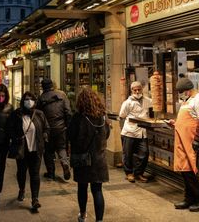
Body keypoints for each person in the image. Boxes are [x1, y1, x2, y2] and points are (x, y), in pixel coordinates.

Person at [68, 88, 110, 222]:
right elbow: (107, 134)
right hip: (99, 159)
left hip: (83, 159)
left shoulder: (78, 117)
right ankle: (99, 220)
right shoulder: (103, 117)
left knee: (82, 188)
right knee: (97, 190)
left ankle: (83, 214)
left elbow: (71, 136)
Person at [168, 77, 199, 212]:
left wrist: (197, 140)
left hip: (194, 143)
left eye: (183, 91)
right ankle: (189, 198)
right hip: (184, 142)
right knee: (185, 171)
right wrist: (176, 123)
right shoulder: (188, 101)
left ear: (188, 90)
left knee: (192, 172)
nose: (182, 94)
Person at [8, 91, 50, 212]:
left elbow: (47, 127)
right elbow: (9, 128)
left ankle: (35, 199)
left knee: (35, 174)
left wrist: (45, 134)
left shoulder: (40, 114)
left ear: (34, 102)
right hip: (22, 149)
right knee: (21, 172)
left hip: (36, 149)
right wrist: (15, 137)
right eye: (26, 99)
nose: (28, 101)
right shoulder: (16, 114)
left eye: (31, 99)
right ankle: (21, 189)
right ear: (22, 101)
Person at [37, 78, 72, 181]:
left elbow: (38, 114)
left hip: (47, 129)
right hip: (61, 128)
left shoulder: (41, 98)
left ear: (43, 87)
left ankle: (51, 173)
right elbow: (68, 112)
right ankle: (65, 163)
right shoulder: (62, 95)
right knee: (61, 148)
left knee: (48, 151)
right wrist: (67, 126)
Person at [119, 81, 152, 183]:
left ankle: (138, 173)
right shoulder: (127, 103)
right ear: (131, 90)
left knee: (144, 153)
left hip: (142, 132)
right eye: (135, 90)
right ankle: (129, 173)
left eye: (139, 89)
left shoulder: (148, 101)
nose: (137, 91)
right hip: (129, 132)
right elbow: (122, 115)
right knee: (127, 154)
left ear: (142, 89)